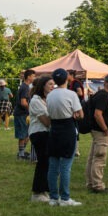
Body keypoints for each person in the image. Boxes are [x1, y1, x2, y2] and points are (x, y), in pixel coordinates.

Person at [45, 68, 84, 206]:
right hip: (67, 129)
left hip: (54, 129)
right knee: (65, 166)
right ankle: (65, 198)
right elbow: (80, 114)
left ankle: (53, 197)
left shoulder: (50, 95)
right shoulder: (71, 94)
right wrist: (75, 114)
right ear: (67, 78)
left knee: (53, 165)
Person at [86, 73, 108, 193]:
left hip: (95, 130)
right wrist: (105, 129)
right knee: (100, 158)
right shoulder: (103, 96)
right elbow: (98, 114)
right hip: (100, 131)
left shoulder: (101, 94)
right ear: (105, 82)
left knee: (93, 157)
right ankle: (98, 185)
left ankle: (91, 183)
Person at [28, 74, 53, 202]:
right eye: (50, 84)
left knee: (47, 162)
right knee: (43, 162)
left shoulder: (48, 99)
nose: (53, 86)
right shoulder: (36, 100)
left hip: (46, 134)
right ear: (43, 86)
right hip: (39, 133)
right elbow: (46, 122)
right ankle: (37, 193)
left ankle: (44, 190)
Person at [15, 69, 35, 160]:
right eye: (33, 76)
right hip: (22, 113)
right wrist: (31, 109)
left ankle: (21, 153)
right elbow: (23, 102)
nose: (34, 78)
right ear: (28, 77)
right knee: (23, 134)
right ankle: (21, 154)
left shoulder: (25, 86)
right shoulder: (25, 87)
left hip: (22, 113)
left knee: (27, 133)